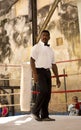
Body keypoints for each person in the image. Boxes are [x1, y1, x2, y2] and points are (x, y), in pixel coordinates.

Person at [30, 30, 61, 121]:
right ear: (40, 36)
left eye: (47, 35)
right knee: (43, 91)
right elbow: (32, 61)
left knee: (47, 94)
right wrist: (35, 74)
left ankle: (45, 115)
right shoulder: (36, 47)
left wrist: (58, 78)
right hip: (39, 71)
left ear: (49, 37)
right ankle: (35, 112)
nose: (45, 37)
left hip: (48, 72)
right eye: (43, 35)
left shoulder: (51, 50)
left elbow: (54, 64)